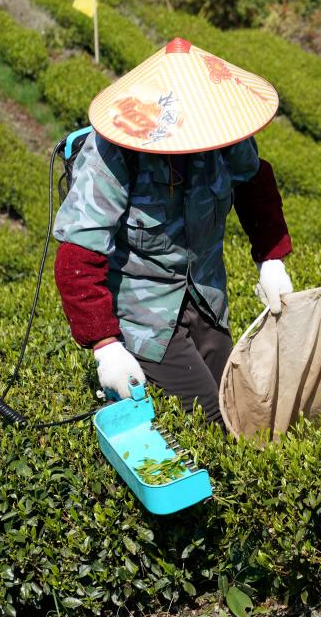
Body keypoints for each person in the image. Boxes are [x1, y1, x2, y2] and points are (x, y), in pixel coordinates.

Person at [53, 37, 293, 424]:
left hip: (205, 294)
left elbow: (254, 185)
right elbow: (78, 255)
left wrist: (272, 258)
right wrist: (105, 345)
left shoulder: (222, 132)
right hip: (140, 309)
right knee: (215, 417)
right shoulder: (115, 152)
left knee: (243, 405)